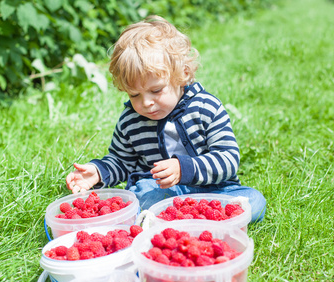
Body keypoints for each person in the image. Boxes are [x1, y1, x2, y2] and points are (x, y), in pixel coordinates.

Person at [65, 15, 266, 222]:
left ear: (182, 75)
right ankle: (180, 221)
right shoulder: (130, 120)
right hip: (162, 193)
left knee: (254, 201)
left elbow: (228, 158)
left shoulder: (206, 107)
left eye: (156, 90)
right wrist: (98, 172)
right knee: (139, 197)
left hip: (214, 191)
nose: (146, 103)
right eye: (134, 95)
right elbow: (122, 161)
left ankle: (186, 219)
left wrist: (183, 169)